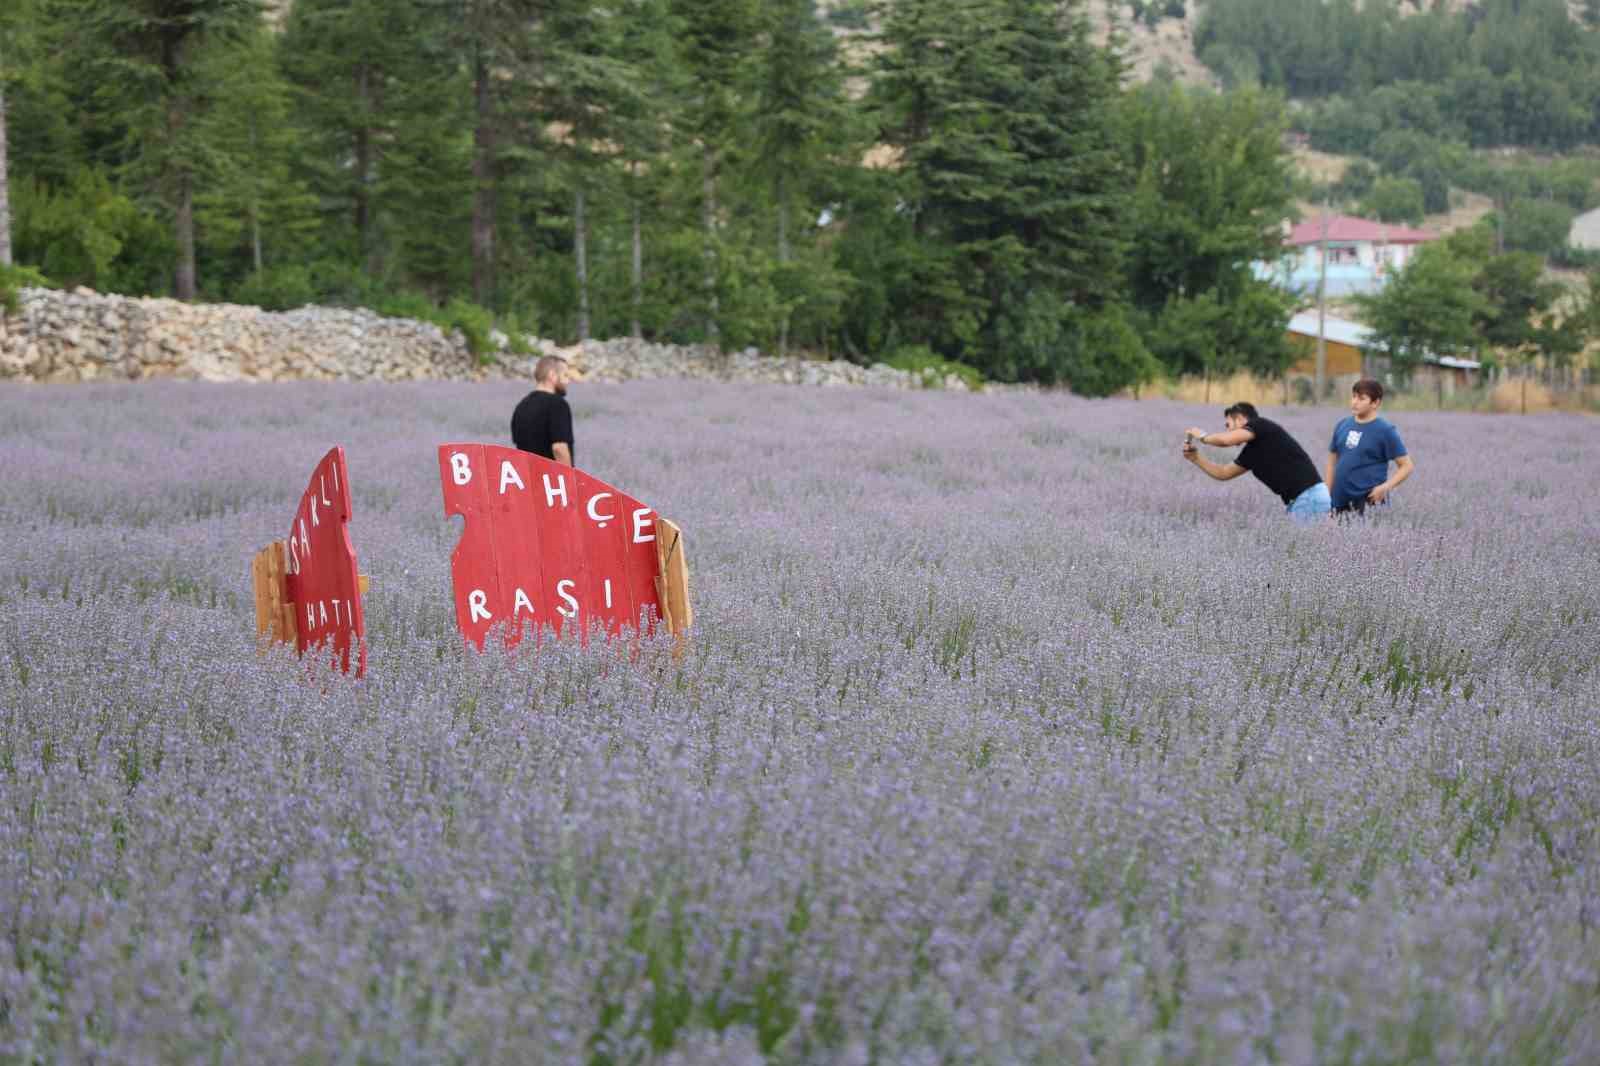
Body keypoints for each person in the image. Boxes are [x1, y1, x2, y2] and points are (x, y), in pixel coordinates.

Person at [1182, 401, 1331, 521]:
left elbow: (1226, 441)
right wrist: (1196, 459)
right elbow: (1223, 473)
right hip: (1303, 501)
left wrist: (1202, 436)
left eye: (1228, 425)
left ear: (1240, 419)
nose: (1227, 430)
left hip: (1308, 498)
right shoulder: (1251, 452)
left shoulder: (1260, 425)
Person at [1326, 379, 1413, 516]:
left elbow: (1407, 466)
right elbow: (1332, 463)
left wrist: (1385, 488)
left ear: (1375, 403)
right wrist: (1327, 495)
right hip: (1338, 501)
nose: (1355, 402)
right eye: (1354, 396)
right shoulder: (1342, 425)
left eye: (1361, 398)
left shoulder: (1385, 430)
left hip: (1367, 503)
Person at [511, 355, 575, 467]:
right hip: (551, 482)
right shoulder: (558, 404)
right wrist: (569, 480)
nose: (568, 381)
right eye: (565, 375)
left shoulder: (521, 406)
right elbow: (559, 448)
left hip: (528, 480)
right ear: (552, 375)